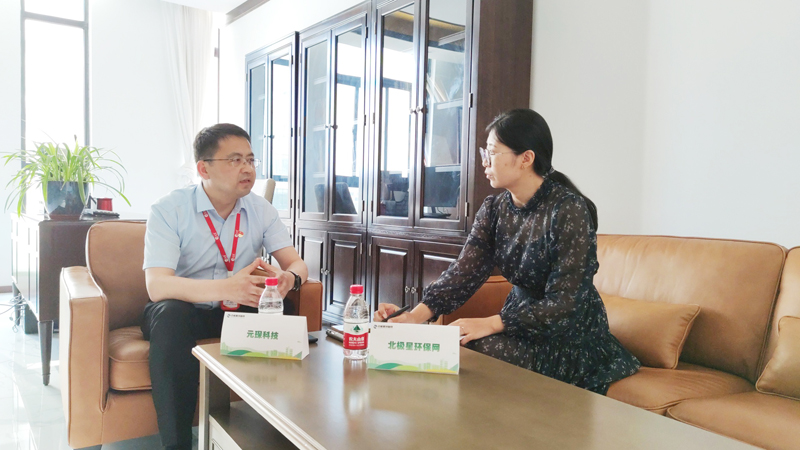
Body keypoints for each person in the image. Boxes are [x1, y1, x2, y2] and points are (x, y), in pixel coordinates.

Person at [374, 109, 640, 394]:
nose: (485, 162)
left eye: (492, 152)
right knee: (466, 345)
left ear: (526, 158)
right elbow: (463, 273)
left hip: (568, 336)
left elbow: (566, 302)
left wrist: (492, 323)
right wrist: (414, 316)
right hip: (519, 323)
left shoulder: (568, 210)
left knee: (477, 350)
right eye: (484, 152)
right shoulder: (494, 209)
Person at [142, 123, 308, 449]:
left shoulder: (260, 209)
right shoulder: (169, 210)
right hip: (184, 311)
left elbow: (296, 263)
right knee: (170, 315)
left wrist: (289, 279)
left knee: (283, 309)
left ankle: (278, 434)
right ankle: (177, 445)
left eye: (251, 159)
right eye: (235, 160)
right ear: (203, 169)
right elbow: (157, 285)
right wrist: (227, 288)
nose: (247, 168)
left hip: (234, 311)